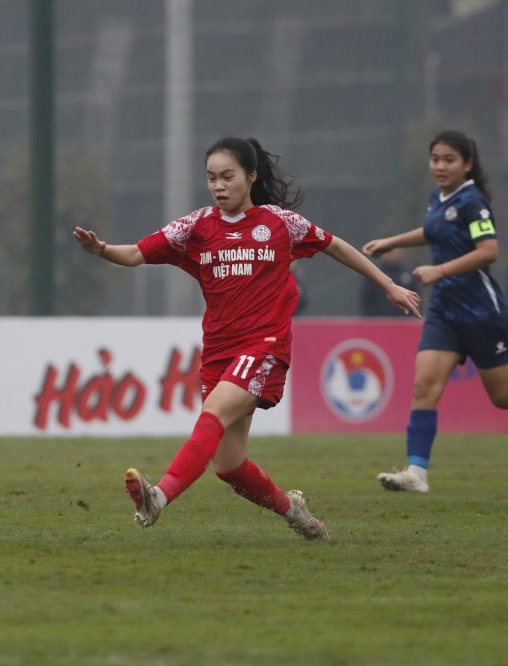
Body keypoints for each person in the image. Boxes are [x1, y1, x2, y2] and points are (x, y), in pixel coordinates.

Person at [73, 136, 422, 540]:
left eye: (228, 176)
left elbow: (336, 247)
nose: (218, 186)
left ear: (251, 176)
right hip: (219, 352)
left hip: (264, 347)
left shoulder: (280, 223)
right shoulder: (195, 227)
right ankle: (294, 511)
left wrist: (388, 285)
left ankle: (159, 497)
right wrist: (101, 249)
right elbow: (135, 254)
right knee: (229, 466)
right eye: (211, 178)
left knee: (214, 413)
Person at [362, 130, 508, 493]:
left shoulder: (474, 201)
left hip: (481, 311)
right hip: (444, 311)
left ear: (467, 164)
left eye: (449, 159)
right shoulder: (438, 197)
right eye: (435, 158)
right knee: (424, 385)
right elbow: (434, 230)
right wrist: (392, 241)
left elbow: (488, 251)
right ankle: (416, 472)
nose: (440, 166)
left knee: (506, 396)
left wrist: (440, 270)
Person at [360, 247, 421, 317]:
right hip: (380, 320)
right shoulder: (374, 274)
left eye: (397, 249)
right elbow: (367, 300)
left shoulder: (409, 275)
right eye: (390, 250)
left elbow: (416, 300)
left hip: (404, 320)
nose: (394, 253)